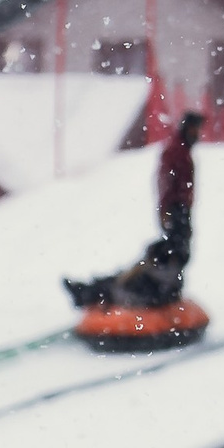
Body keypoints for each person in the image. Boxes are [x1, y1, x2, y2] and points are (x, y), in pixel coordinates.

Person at [65, 108, 204, 311]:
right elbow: (169, 184)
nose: (197, 135)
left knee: (164, 255)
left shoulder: (179, 151)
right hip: (176, 212)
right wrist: (170, 210)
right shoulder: (176, 152)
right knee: (164, 256)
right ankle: (88, 291)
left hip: (177, 213)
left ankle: (88, 289)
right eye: (195, 130)